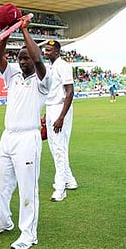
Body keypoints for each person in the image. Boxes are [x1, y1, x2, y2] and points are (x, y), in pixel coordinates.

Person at [0, 16, 51, 249]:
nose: (23, 61)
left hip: (28, 137)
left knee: (27, 187)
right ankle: (3, 221)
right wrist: (6, 32)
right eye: (20, 58)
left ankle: (28, 233)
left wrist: (24, 30)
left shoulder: (43, 80)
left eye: (25, 58)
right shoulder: (11, 75)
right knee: (1, 184)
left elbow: (38, 58)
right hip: (8, 136)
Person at [44, 40, 78, 202]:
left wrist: (61, 117)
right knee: (55, 146)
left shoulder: (63, 65)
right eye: (45, 49)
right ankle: (69, 180)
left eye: (49, 50)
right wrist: (47, 114)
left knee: (59, 148)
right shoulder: (51, 67)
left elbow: (70, 92)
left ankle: (60, 188)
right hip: (51, 108)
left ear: (57, 51)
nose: (46, 52)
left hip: (60, 109)